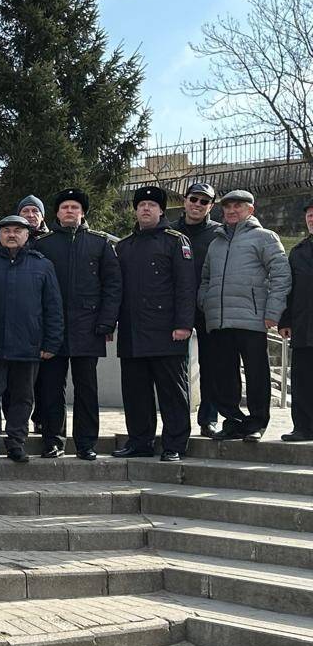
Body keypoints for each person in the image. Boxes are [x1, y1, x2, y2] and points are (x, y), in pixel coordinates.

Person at [32, 189, 122, 461]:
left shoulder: (99, 243)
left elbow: (113, 285)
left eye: (74, 207)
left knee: (87, 388)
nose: (69, 211)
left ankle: (86, 443)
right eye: (64, 207)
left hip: (88, 327)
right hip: (53, 328)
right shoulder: (43, 244)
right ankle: (53, 440)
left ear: (82, 213)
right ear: (57, 213)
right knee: (51, 388)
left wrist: (107, 322)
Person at [198, 189, 291, 442]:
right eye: (227, 206)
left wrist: (273, 312)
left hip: (252, 319)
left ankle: (257, 423)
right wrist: (205, 302)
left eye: (237, 206)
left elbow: (281, 275)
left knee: (256, 374)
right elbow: (205, 278)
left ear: (251, 210)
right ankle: (233, 422)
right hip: (219, 320)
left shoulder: (265, 237)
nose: (231, 211)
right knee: (224, 375)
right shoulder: (216, 243)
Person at [113, 186, 196, 462]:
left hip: (167, 332)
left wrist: (183, 324)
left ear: (161, 211)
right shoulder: (124, 246)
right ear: (135, 211)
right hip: (132, 332)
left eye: (151, 205)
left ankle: (175, 444)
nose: (146, 209)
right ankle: (140, 441)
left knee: (172, 393)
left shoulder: (176, 241)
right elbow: (115, 289)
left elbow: (186, 286)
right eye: (141, 205)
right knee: (135, 393)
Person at [0, 216, 63, 463]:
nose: (11, 235)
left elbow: (53, 307)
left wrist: (51, 343)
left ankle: (16, 443)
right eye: (6, 231)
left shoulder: (43, 265)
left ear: (27, 235)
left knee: (23, 397)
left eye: (17, 231)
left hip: (28, 345)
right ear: (0, 235)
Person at [173, 181, 224, 436]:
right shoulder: (170, 231)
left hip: (208, 308)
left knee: (211, 365)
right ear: (185, 200)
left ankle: (208, 419)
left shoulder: (219, 233)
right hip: (175, 308)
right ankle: (178, 422)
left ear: (211, 206)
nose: (198, 204)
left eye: (204, 201)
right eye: (194, 199)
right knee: (175, 367)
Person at [280, 199, 313, 441]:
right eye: (309, 215)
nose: (311, 218)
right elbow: (288, 289)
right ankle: (302, 427)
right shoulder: (298, 252)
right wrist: (285, 320)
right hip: (303, 326)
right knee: (302, 381)